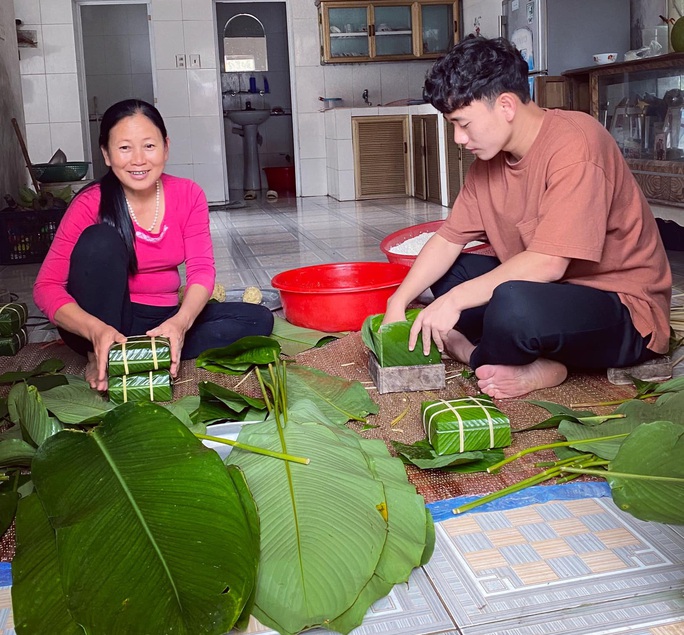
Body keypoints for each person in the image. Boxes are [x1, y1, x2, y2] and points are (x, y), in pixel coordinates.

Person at [383, 37, 672, 399]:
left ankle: (474, 353)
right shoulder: (487, 165)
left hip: (621, 308)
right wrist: (398, 301)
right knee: (453, 273)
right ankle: (530, 354)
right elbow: (448, 238)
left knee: (511, 307)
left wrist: (455, 302)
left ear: (505, 105)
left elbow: (550, 263)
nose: (458, 138)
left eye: (463, 123)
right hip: (549, 293)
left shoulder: (577, 144)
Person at [34, 99, 274, 391]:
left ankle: (146, 349)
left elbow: (201, 271)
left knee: (256, 320)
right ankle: (101, 350)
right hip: (100, 319)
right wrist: (95, 331)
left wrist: (181, 323)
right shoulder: (90, 203)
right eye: (124, 148)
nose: (138, 160)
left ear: (166, 147)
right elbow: (46, 287)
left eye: (149, 146)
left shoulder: (188, 195)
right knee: (101, 240)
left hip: (162, 316)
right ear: (106, 154)